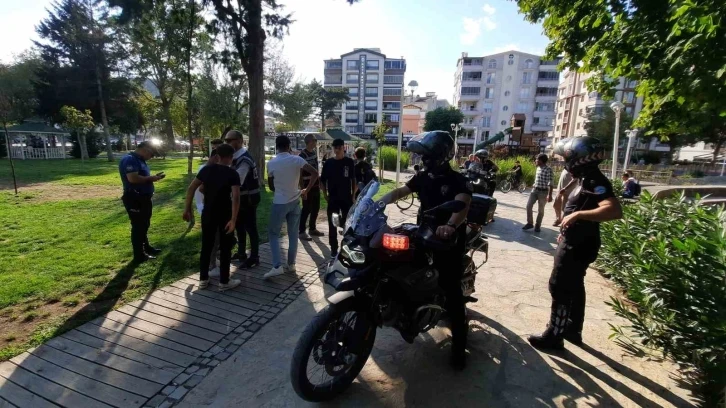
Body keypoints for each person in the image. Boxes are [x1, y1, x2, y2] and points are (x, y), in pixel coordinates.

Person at [379, 130, 472, 370]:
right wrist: (378, 201)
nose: (422, 160)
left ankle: (459, 349)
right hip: (425, 232)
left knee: (452, 292)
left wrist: (450, 226)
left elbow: (462, 205)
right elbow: (402, 191)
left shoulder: (457, 180)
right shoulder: (424, 176)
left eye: (426, 156)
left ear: (439, 155)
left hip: (447, 239)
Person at [528, 136, 622, 350]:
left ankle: (555, 334)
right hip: (576, 240)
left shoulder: (595, 180)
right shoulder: (584, 178)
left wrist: (577, 215)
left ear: (580, 159)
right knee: (575, 285)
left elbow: (614, 210)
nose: (564, 163)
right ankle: (572, 328)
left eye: (566, 159)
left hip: (578, 244)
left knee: (559, 286)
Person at [182, 144, 242, 291]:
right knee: (226, 247)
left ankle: (203, 279)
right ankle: (224, 281)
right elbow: (236, 197)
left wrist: (187, 208)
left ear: (217, 156)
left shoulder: (206, 170)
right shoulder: (232, 173)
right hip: (225, 214)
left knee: (206, 245)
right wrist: (233, 219)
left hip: (208, 212)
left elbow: (193, 188)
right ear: (230, 157)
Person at [265, 136, 319, 278]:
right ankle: (291, 264)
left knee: (273, 233)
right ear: (289, 146)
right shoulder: (297, 160)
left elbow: (271, 187)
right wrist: (306, 190)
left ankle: (277, 265)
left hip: (280, 202)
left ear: (277, 146)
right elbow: (315, 173)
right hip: (295, 201)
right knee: (293, 234)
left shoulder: (271, 163)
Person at [119, 141, 165, 263]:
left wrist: (153, 177)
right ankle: (139, 255)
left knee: (144, 224)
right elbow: (133, 178)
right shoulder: (130, 160)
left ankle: (146, 247)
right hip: (135, 198)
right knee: (138, 226)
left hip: (143, 197)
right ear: (145, 150)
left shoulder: (139, 160)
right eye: (152, 154)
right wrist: (152, 178)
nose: (151, 157)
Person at [225, 130, 260, 269]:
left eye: (229, 140)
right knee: (239, 226)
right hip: (241, 198)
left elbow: (238, 179)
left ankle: (254, 257)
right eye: (226, 141)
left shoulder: (244, 159)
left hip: (248, 199)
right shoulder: (235, 157)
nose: (227, 143)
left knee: (251, 228)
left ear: (239, 141)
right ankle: (241, 253)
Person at [320, 138, 356, 257]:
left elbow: (353, 179)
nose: (337, 149)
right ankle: (334, 248)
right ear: (333, 149)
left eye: (339, 147)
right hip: (333, 198)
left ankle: (347, 245)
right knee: (332, 223)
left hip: (346, 197)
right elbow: (322, 181)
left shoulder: (349, 162)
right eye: (335, 147)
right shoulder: (329, 163)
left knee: (348, 222)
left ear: (343, 148)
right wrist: (325, 194)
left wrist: (353, 195)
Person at [298, 134, 324, 241]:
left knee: (316, 208)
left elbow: (316, 171)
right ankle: (302, 231)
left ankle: (312, 228)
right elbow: (299, 174)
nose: (316, 142)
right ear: (309, 141)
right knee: (306, 209)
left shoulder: (313, 153)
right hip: (307, 186)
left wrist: (320, 183)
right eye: (315, 140)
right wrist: (303, 189)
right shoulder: (302, 155)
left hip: (316, 185)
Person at [523, 154, 554, 233]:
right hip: (534, 191)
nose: (535, 161)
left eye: (537, 159)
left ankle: (538, 225)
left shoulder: (548, 169)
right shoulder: (538, 168)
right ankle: (530, 223)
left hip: (543, 192)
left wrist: (549, 195)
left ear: (541, 160)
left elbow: (551, 183)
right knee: (528, 206)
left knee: (540, 210)